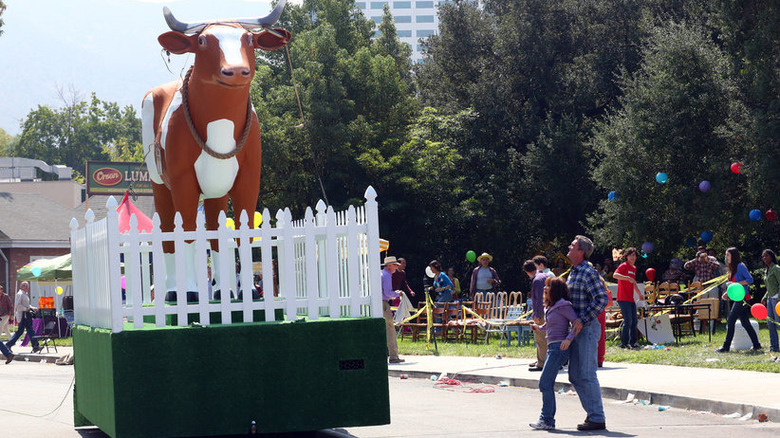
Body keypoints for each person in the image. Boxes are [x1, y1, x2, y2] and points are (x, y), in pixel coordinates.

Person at [565, 235, 608, 431]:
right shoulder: (573, 272)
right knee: (574, 375)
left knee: (587, 374)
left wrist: (582, 320)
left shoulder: (588, 272)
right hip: (575, 330)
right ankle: (593, 413)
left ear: (581, 251)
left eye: (573, 246)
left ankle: (597, 417)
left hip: (587, 329)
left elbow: (601, 299)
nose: (569, 247)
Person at [528, 276, 579, 430]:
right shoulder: (552, 306)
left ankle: (547, 420)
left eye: (548, 286)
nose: (545, 288)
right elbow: (550, 325)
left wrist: (568, 339)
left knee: (544, 383)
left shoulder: (564, 305)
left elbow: (577, 323)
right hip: (553, 347)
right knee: (546, 383)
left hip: (559, 348)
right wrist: (539, 327)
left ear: (555, 289)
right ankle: (547, 419)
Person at [716, 247, 762, 353]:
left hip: (743, 299)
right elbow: (733, 286)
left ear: (733, 256)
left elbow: (750, 279)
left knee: (731, 320)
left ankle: (726, 347)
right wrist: (727, 293)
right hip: (738, 299)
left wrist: (736, 284)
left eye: (727, 255)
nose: (725, 257)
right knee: (745, 323)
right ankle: (757, 345)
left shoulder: (740, 266)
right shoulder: (732, 268)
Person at [612, 248, 642, 349]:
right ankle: (624, 343)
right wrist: (627, 278)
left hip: (630, 299)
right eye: (630, 255)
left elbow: (633, 282)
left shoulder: (634, 268)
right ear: (626, 256)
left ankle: (633, 342)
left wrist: (639, 293)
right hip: (622, 298)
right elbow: (615, 275)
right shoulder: (623, 266)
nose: (632, 257)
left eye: (634, 255)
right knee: (628, 320)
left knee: (634, 321)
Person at [524, 260, 550, 371]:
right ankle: (549, 362)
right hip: (550, 310)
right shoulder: (545, 275)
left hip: (542, 312)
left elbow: (539, 300)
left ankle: (542, 364)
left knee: (540, 339)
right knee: (549, 339)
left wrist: (537, 315)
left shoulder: (536, 280)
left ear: (527, 272)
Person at [5, 281, 42, 354]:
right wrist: (26, 309)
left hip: (26, 314)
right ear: (22, 286)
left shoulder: (24, 294)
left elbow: (26, 305)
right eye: (26, 286)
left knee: (26, 330)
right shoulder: (20, 294)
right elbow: (18, 305)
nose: (27, 287)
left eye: (27, 286)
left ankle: (35, 346)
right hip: (23, 315)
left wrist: (32, 308)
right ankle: (35, 346)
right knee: (25, 330)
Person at [381, 256, 405, 364]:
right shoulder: (387, 275)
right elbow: (387, 293)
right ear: (390, 265)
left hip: (377, 304)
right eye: (395, 265)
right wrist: (397, 294)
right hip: (384, 304)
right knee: (390, 330)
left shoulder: (381, 273)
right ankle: (393, 356)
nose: (397, 267)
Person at [761, 249, 780, 353]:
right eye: (763, 257)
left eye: (766, 256)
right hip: (769, 299)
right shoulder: (766, 270)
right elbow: (769, 287)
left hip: (777, 300)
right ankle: (774, 347)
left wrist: (779, 299)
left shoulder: (776, 268)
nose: (764, 258)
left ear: (772, 257)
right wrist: (764, 298)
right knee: (770, 323)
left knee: (778, 323)